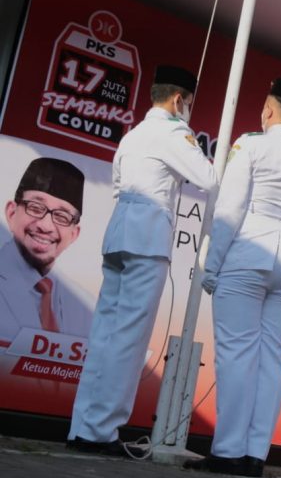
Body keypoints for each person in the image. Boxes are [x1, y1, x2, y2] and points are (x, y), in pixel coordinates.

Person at [68, 65, 217, 456]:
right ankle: (101, 432)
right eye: (189, 103)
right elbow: (208, 177)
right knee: (128, 340)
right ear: (178, 100)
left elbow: (119, 182)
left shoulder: (133, 135)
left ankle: (83, 426)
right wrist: (192, 143)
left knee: (103, 335)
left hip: (119, 232)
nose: (189, 109)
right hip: (147, 238)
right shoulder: (173, 133)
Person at [186, 77, 281, 478]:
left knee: (236, 353)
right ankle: (254, 454)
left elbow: (230, 211)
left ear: (267, 110)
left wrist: (211, 266)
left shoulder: (251, 146)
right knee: (271, 359)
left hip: (248, 255)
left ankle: (228, 450)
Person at [1, 158, 91, 343]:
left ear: (73, 234)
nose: (45, 225)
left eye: (62, 216)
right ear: (11, 213)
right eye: (35, 208)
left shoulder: (85, 307)